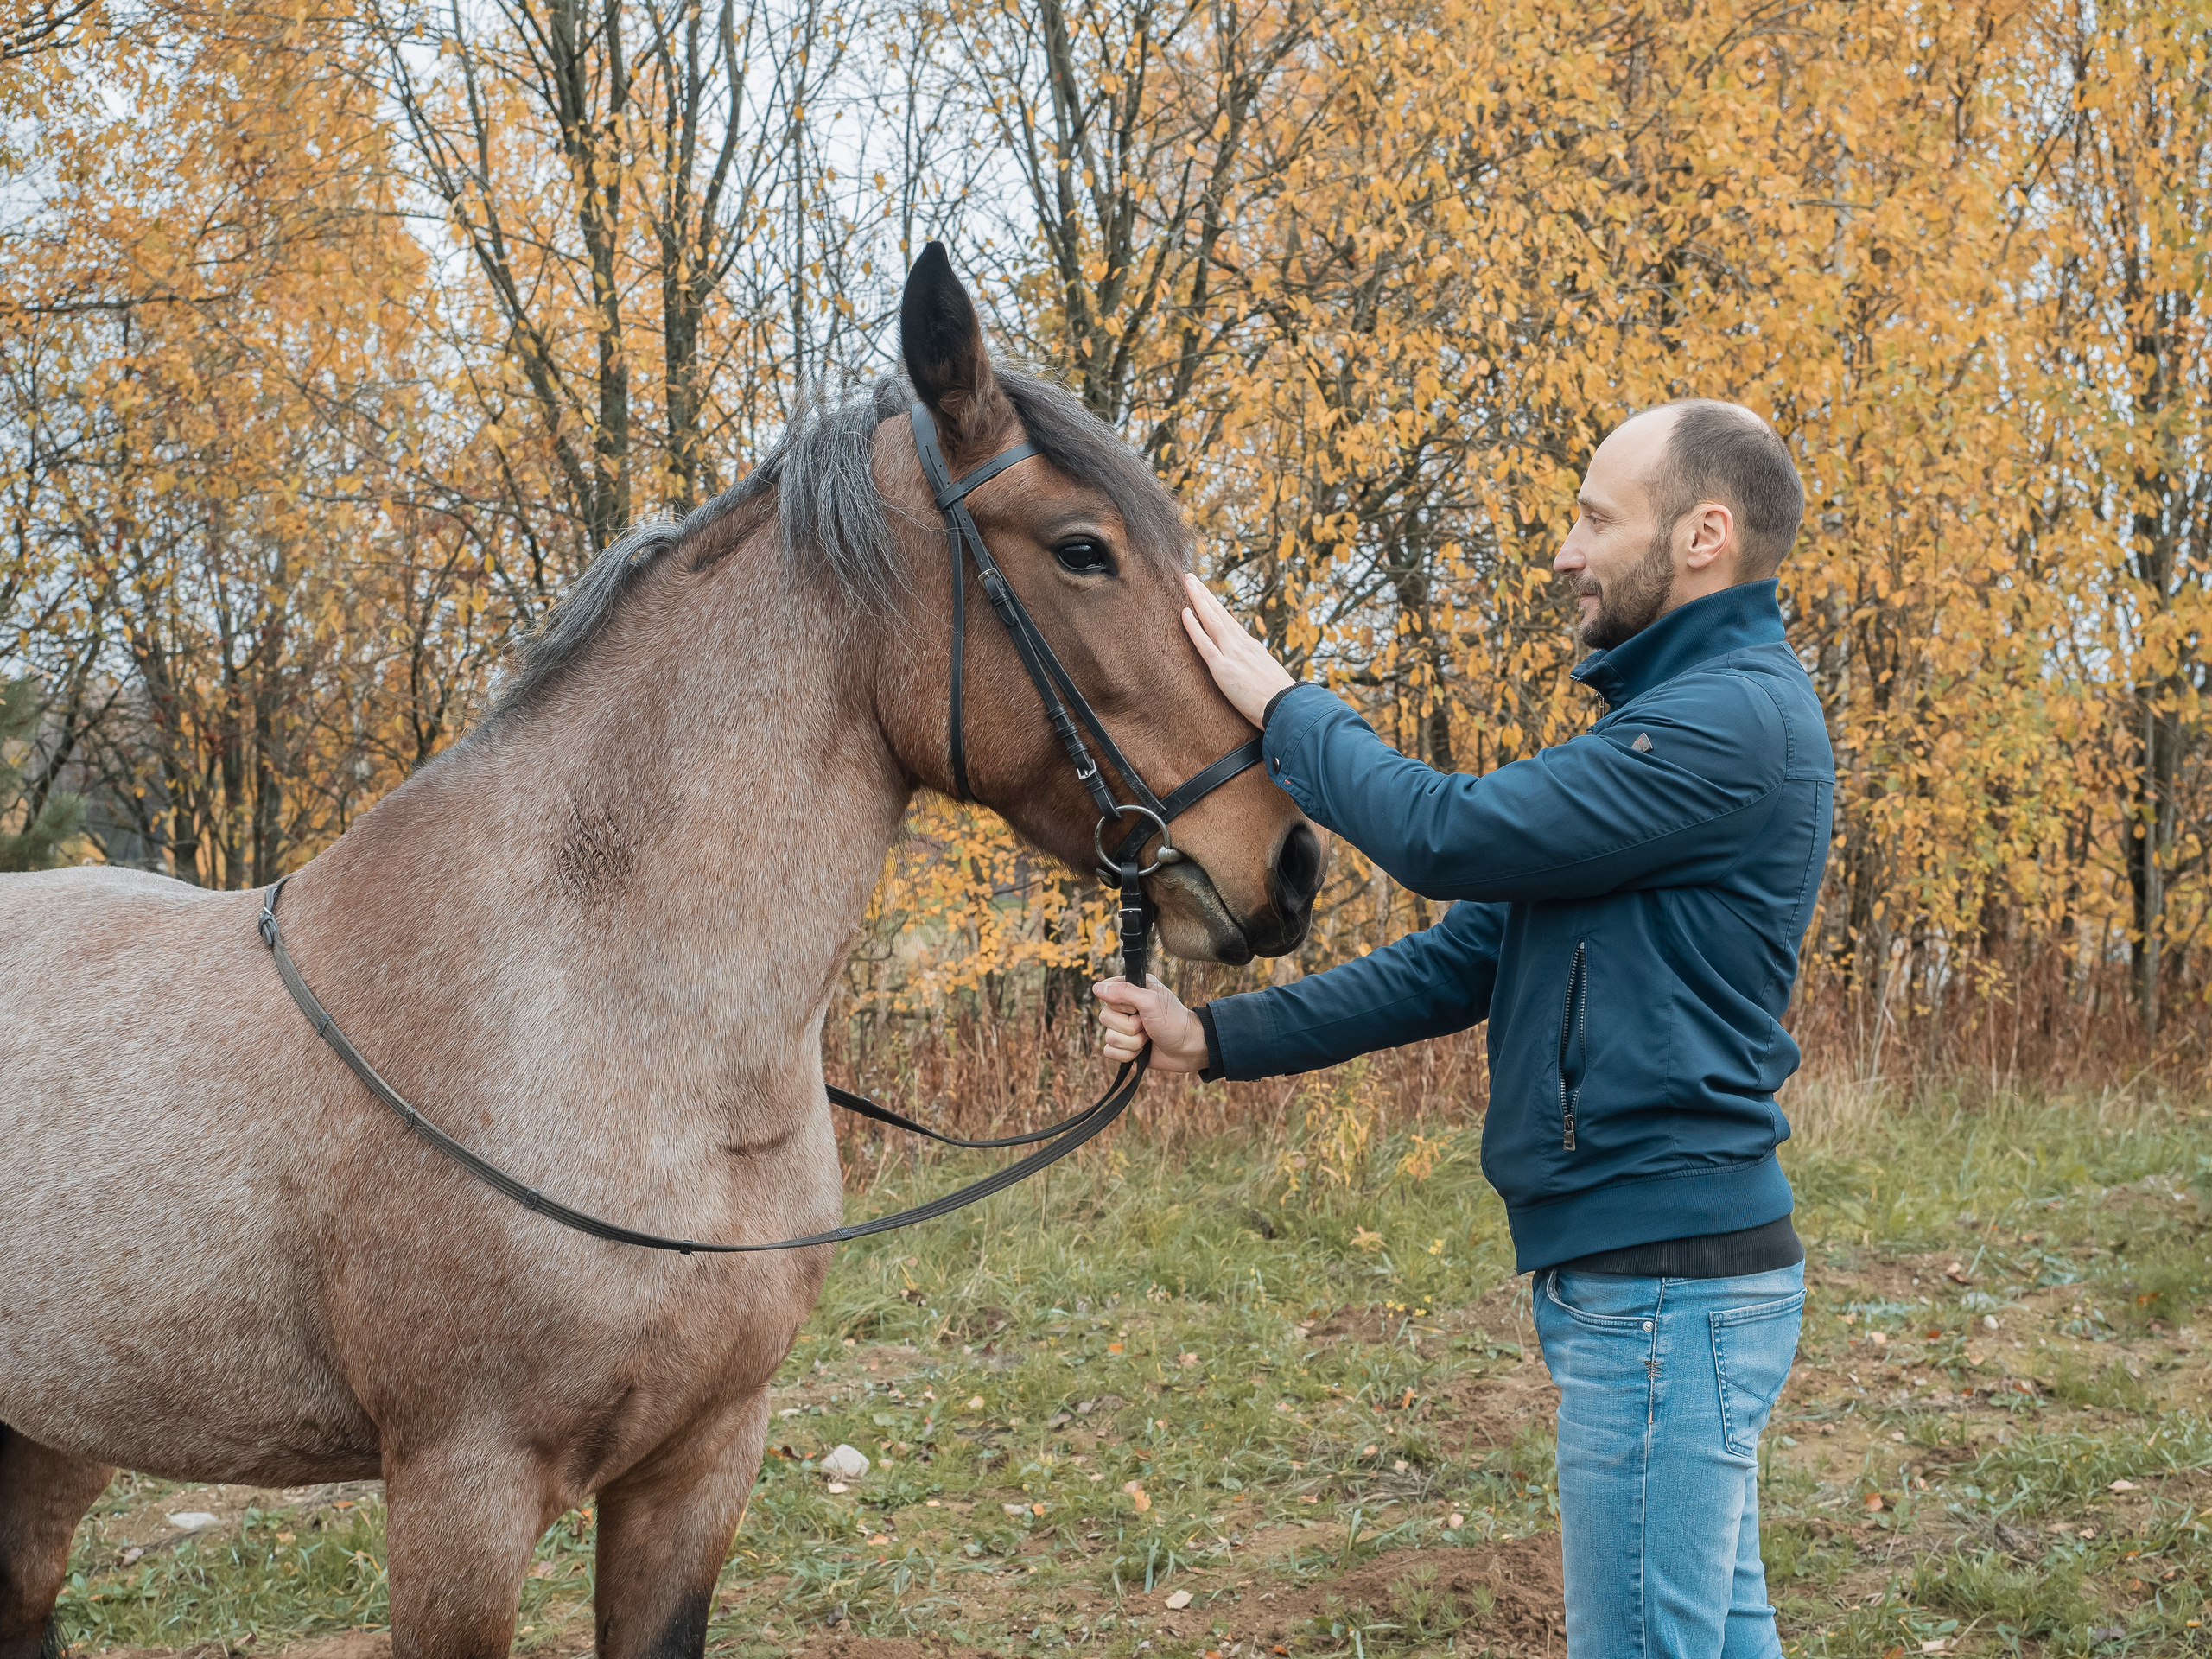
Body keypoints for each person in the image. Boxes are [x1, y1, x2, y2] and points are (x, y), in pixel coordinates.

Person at [1096, 400, 1833, 1659]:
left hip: (1667, 1283)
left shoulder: (1728, 724)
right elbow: (1469, 954)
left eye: (1598, 518)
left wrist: (1286, 710)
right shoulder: (1673, 726)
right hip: (1661, 1278)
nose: (1565, 549)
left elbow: (1452, 837)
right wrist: (1214, 1040)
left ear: (1705, 534)